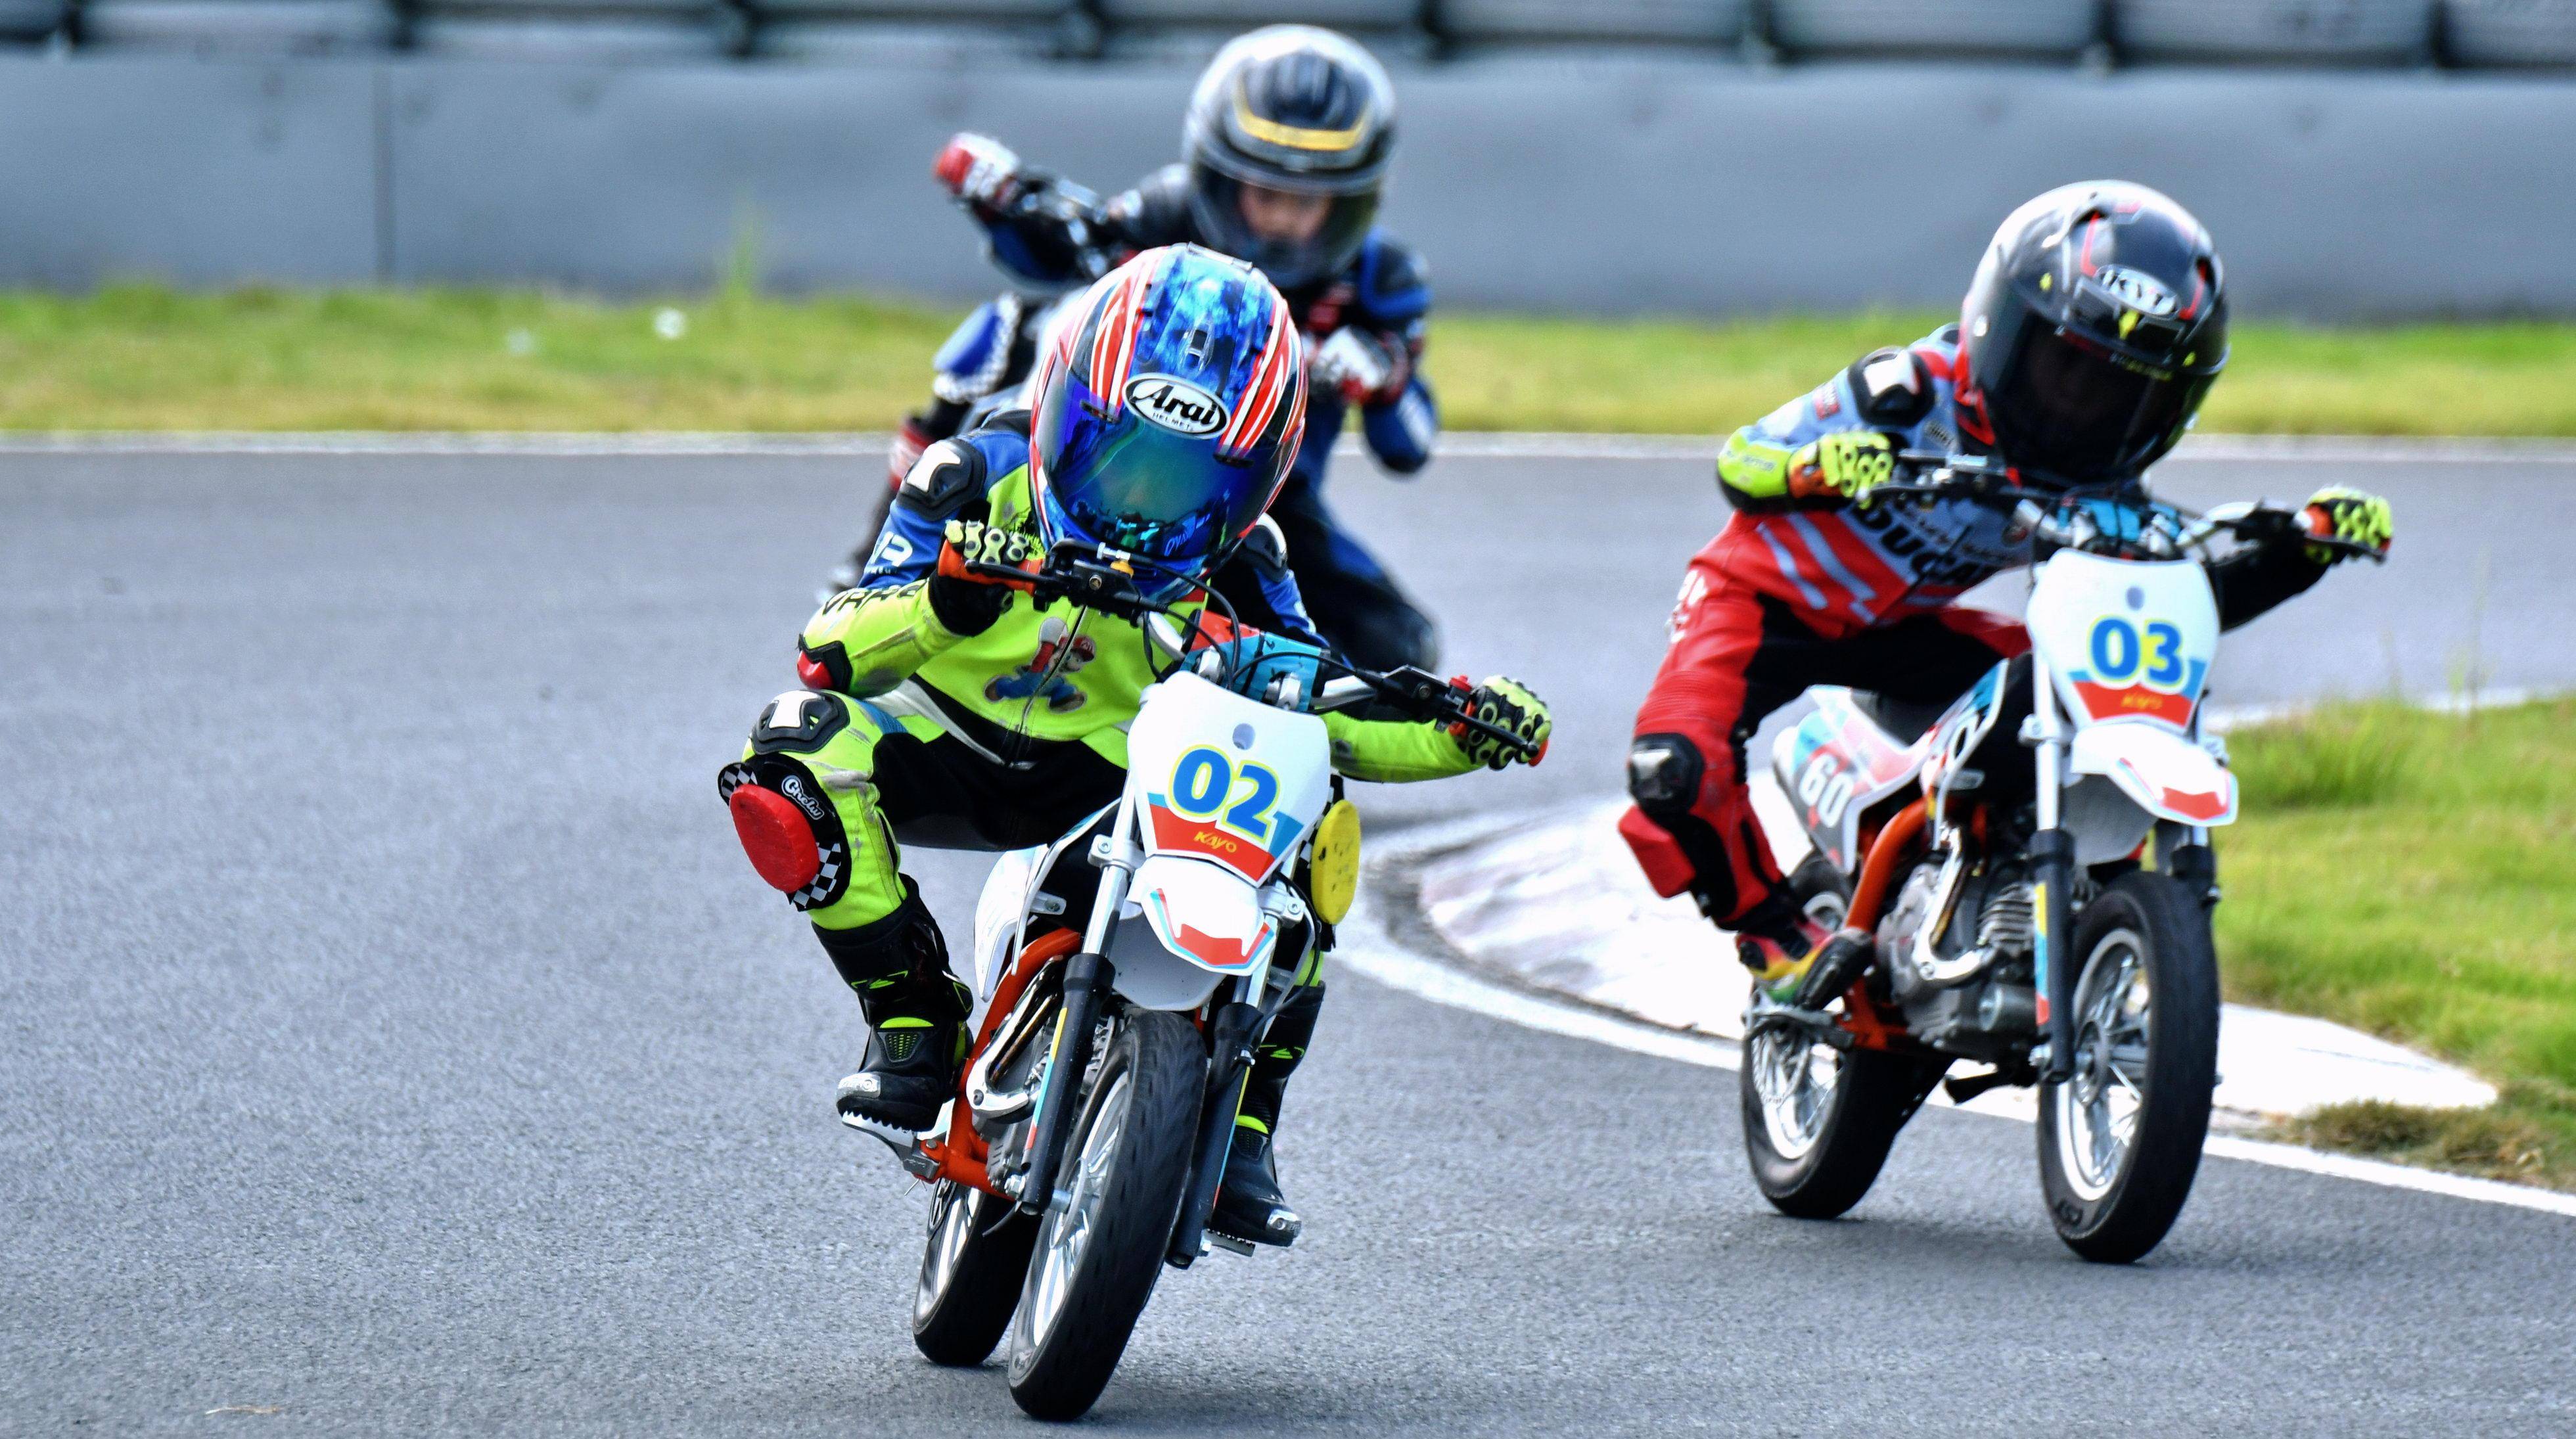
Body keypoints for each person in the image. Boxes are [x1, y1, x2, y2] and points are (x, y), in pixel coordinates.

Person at [723, 246, 1549, 1248]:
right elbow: (831, 645)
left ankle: (1246, 1129)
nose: (1142, 505)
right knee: (794, 749)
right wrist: (943, 602)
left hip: (1108, 777)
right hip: (945, 742)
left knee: (1306, 806)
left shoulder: (1247, 559)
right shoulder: (971, 472)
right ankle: (912, 1016)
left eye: (1190, 481)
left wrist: (1465, 730)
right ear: (1067, 412)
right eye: (1121, 457)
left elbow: (1321, 699)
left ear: (1255, 480)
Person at [1621, 181, 2394, 1005]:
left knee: (2075, 683)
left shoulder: (2101, 484)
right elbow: (1739, 461)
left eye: (2128, 395)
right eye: (2066, 371)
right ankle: (1772, 934)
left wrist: (2302, 555)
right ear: (1999, 327)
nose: (2087, 411)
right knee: (1674, 766)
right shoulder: (1904, 390)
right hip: (1761, 604)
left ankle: (2019, 891)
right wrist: (1813, 468)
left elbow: (2169, 607)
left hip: (1906, 628)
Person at [844, 24, 1443, 674]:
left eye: (1309, 202)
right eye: (1267, 194)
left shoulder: (1380, 279)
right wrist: (1006, 198)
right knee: (1012, 327)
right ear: (1219, 176)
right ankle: (879, 561)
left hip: (1249, 508)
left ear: (1353, 201)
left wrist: (1384, 374)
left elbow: (1409, 444)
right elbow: (1068, 253)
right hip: (1105, 460)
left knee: (1396, 649)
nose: (1282, 219)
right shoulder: (1167, 213)